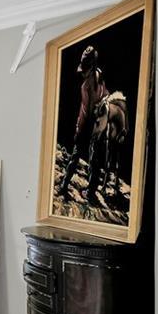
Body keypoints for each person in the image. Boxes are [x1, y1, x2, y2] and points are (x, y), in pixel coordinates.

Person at [57, 45, 109, 202]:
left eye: (83, 69)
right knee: (95, 160)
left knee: (75, 155)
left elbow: (85, 111)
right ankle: (91, 192)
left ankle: (64, 186)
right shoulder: (99, 74)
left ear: (88, 67)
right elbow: (106, 95)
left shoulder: (86, 86)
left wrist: (79, 129)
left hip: (87, 125)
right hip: (99, 123)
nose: (81, 73)